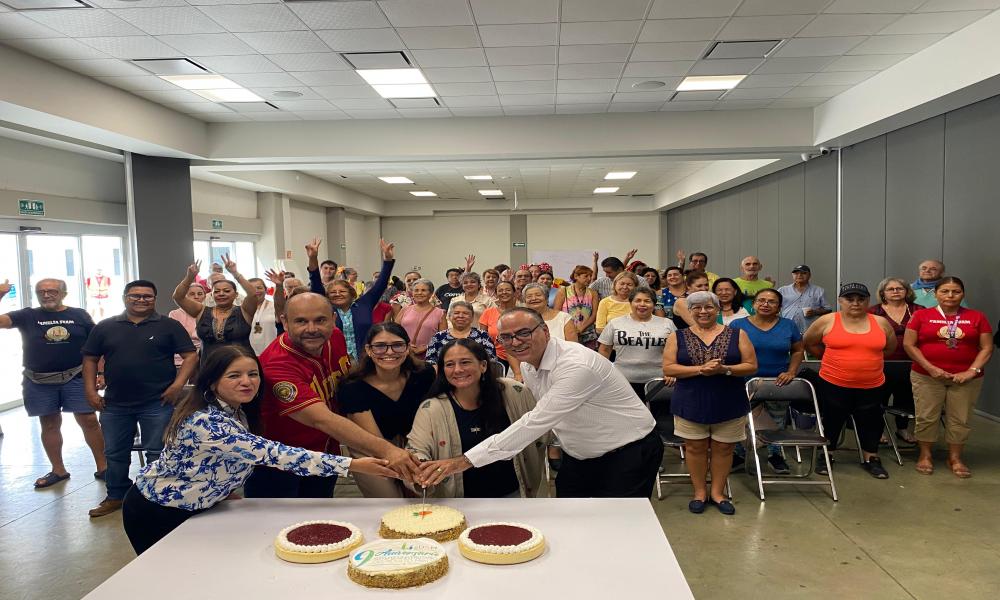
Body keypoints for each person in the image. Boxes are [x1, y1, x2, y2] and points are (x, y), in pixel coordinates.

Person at [121, 345, 396, 554]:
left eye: (253, 374)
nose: (247, 381)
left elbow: (212, 462)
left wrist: (220, 489)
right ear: (212, 381)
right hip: (156, 511)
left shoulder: (236, 411)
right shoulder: (207, 422)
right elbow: (275, 454)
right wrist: (353, 465)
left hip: (197, 507)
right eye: (234, 375)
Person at [418, 307, 662, 499]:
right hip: (579, 455)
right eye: (506, 337)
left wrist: (463, 461)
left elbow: (534, 423)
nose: (515, 342)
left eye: (524, 332)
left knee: (618, 528)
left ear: (545, 331)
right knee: (570, 520)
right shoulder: (528, 364)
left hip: (629, 451)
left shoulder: (576, 366)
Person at [243, 292, 421, 498]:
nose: (311, 329)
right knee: (275, 526)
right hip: (281, 465)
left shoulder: (334, 337)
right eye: (301, 321)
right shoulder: (277, 364)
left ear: (333, 320)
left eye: (320, 320)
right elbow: (323, 420)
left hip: (326, 455)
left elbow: (348, 384)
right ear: (285, 321)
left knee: (321, 521)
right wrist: (389, 451)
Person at [82, 280, 198, 517]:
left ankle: (154, 494)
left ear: (154, 299)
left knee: (156, 451)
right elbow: (90, 359)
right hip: (114, 403)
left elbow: (190, 355)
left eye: (147, 296)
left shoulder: (168, 325)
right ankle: (116, 495)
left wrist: (178, 385)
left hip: (157, 402)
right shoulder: (105, 327)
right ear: (125, 297)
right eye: (135, 296)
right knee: (114, 452)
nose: (141, 300)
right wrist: (90, 392)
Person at [0, 278, 106, 489]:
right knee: (49, 423)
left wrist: (101, 372)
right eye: (41, 292)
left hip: (76, 377)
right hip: (38, 380)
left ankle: (104, 468)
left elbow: (96, 345)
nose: (46, 295)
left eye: (52, 291)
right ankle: (58, 470)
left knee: (89, 421)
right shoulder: (28, 315)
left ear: (63, 293)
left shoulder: (78, 315)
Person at [407, 339, 546, 498]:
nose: (458, 370)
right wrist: (419, 468)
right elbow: (416, 449)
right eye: (450, 364)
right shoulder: (432, 408)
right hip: (461, 504)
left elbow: (541, 432)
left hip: (515, 496)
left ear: (483, 365)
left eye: (465, 362)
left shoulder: (513, 392)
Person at [662, 291, 757, 515]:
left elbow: (751, 366)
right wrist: (700, 369)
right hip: (690, 402)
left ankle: (717, 493)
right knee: (695, 448)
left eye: (708, 307)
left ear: (717, 309)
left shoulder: (737, 334)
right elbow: (668, 368)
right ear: (690, 311)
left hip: (729, 401)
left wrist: (725, 369)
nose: (703, 311)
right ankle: (699, 492)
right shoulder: (678, 336)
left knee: (724, 449)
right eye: (696, 307)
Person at [803, 283, 896, 479]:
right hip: (833, 382)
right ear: (840, 301)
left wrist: (865, 361)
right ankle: (826, 454)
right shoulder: (827, 320)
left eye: (861, 299)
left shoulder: (880, 323)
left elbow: (889, 348)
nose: (855, 303)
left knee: (871, 421)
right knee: (832, 420)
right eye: (850, 299)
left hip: (872, 383)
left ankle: (871, 457)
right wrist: (830, 358)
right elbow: (809, 342)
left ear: (868, 301)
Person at [903, 277, 993, 478]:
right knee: (927, 416)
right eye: (945, 291)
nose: (950, 296)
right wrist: (930, 368)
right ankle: (925, 455)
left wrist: (971, 371)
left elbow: (987, 347)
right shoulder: (921, 316)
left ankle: (955, 458)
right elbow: (909, 344)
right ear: (935, 294)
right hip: (927, 375)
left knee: (960, 418)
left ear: (963, 294)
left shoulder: (977, 317)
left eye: (956, 291)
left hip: (966, 378)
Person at [338, 323, 436, 497]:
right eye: (380, 346)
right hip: (373, 447)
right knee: (389, 500)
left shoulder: (424, 375)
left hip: (418, 442)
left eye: (397, 345)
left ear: (407, 348)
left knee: (425, 497)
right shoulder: (352, 387)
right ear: (368, 350)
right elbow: (376, 442)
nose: (389, 352)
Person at [730, 288, 805, 474]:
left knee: (777, 421)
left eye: (771, 301)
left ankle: (776, 455)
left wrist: (791, 371)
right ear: (753, 304)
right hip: (742, 382)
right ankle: (738, 454)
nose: (765, 304)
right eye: (761, 300)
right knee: (740, 420)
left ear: (779, 307)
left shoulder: (788, 325)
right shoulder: (737, 324)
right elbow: (728, 352)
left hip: (778, 383)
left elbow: (797, 350)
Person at [308, 238, 396, 361]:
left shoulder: (364, 304)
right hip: (334, 362)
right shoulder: (326, 307)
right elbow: (315, 281)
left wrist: (387, 260)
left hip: (365, 360)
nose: (337, 294)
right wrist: (313, 258)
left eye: (342, 291)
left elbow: (380, 284)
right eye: (333, 292)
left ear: (351, 293)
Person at [172, 255, 258, 362]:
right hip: (209, 366)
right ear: (211, 295)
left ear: (236, 294)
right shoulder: (201, 311)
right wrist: (189, 277)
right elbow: (178, 297)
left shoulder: (244, 311)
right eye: (216, 292)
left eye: (226, 291)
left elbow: (253, 294)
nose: (221, 294)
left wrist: (235, 273)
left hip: (241, 365)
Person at [598, 288, 677, 398]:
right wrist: (602, 374)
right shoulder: (615, 323)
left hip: (659, 382)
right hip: (622, 381)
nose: (642, 304)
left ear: (654, 304)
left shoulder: (667, 323)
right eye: (638, 300)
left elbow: (676, 351)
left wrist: (672, 372)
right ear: (630, 303)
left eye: (647, 301)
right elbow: (604, 350)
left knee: (656, 415)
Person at [869, 277, 919, 444]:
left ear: (907, 291)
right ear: (883, 293)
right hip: (880, 363)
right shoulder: (873, 312)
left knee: (905, 397)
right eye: (891, 289)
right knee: (878, 398)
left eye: (900, 288)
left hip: (911, 362)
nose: (896, 291)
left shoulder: (919, 310)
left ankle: (902, 429)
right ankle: (878, 430)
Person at [425, 301, 498, 365]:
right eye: (456, 313)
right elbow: (430, 362)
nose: (460, 316)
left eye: (465, 313)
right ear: (449, 317)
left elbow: (492, 361)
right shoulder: (438, 337)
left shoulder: (483, 336)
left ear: (472, 317)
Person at [479, 281, 522, 379]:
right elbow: (483, 339)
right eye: (500, 290)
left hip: (520, 355)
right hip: (496, 358)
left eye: (507, 290)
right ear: (496, 294)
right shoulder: (488, 312)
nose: (504, 292)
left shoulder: (522, 312)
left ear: (515, 293)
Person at [396, 279, 446, 360]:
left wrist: (426, 347)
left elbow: (443, 338)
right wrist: (406, 344)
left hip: (429, 356)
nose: (419, 293)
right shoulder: (405, 310)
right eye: (416, 290)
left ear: (431, 293)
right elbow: (394, 331)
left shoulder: (440, 313)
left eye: (423, 290)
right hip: (404, 354)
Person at [555, 265, 600, 350]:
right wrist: (572, 329)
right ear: (576, 276)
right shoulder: (563, 291)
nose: (589, 278)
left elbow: (594, 314)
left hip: (588, 333)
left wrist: (581, 328)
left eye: (590, 276)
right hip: (568, 332)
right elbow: (556, 312)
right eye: (586, 276)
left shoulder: (593, 293)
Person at [777, 265, 831, 334]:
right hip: (786, 329)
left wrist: (815, 312)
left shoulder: (818, 290)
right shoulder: (782, 290)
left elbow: (828, 309)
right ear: (792, 275)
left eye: (803, 273)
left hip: (809, 331)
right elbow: (774, 307)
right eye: (796, 273)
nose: (799, 275)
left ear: (809, 275)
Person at [168, 282, 205, 366]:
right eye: (192, 294)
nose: (196, 297)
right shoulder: (175, 314)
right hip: (181, 357)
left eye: (200, 294)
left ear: (205, 296)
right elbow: (178, 338)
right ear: (185, 296)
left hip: (205, 357)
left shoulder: (209, 312)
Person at [247, 272, 284, 356]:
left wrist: (278, 286)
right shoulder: (243, 309)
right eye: (251, 288)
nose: (256, 291)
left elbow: (280, 308)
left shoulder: (274, 306)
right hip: (249, 354)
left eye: (259, 288)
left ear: (266, 289)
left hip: (272, 353)